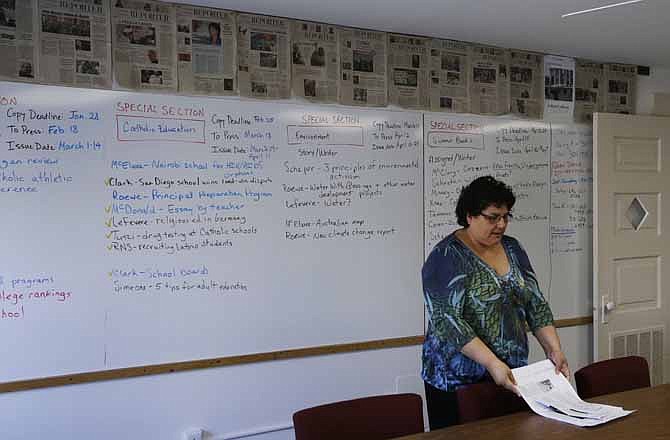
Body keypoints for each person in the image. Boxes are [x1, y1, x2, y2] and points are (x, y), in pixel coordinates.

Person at [421, 176, 568, 430]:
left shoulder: (513, 248)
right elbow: (448, 321)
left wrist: (553, 349)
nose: (501, 224)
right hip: (457, 381)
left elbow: (535, 302)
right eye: (492, 217)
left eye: (505, 216)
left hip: (509, 376)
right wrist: (492, 363)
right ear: (469, 216)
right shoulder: (445, 256)